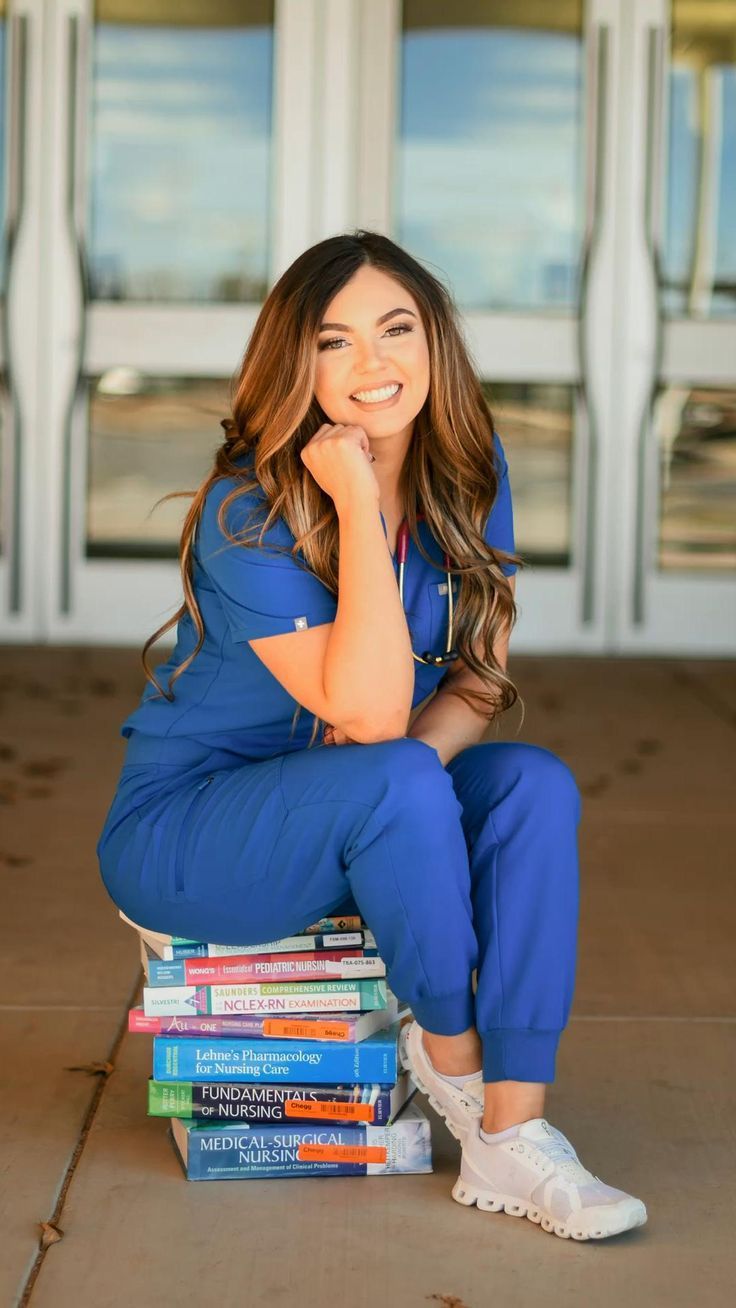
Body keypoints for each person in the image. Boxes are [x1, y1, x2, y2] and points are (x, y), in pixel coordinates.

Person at [97, 230, 647, 1240]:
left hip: (355, 808)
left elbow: (475, 684)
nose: (371, 364)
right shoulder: (246, 508)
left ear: (434, 343)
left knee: (531, 787)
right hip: (191, 834)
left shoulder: (470, 480)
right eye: (333, 342)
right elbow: (373, 717)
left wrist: (400, 790)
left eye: (395, 330)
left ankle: (512, 1135)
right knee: (392, 773)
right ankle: (451, 1059)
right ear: (294, 365)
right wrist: (354, 499)